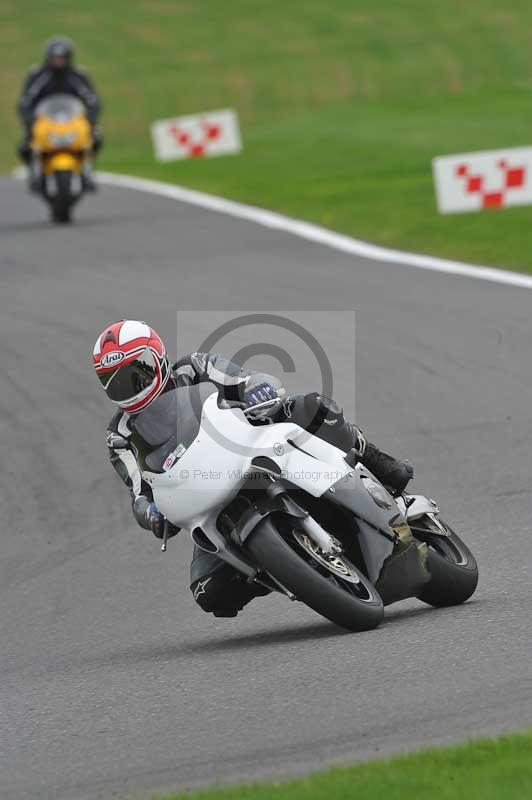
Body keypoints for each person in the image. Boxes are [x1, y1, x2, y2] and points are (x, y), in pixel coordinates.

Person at [93, 320, 414, 618]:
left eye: (138, 372)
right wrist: (149, 513)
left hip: (253, 447)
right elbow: (139, 490)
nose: (131, 387)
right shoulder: (119, 435)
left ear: (157, 358)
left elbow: (241, 379)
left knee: (312, 408)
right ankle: (286, 568)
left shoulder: (194, 368)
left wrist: (257, 388)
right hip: (205, 492)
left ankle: (376, 463)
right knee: (210, 593)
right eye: (116, 384)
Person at [16, 37, 102, 186]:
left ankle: (87, 171)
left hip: (72, 119)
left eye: (61, 58)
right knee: (25, 145)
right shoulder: (38, 75)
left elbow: (92, 100)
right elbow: (25, 101)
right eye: (55, 58)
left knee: (95, 139)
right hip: (45, 120)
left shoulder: (78, 75)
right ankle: (33, 171)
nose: (58, 61)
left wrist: (91, 118)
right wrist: (29, 119)